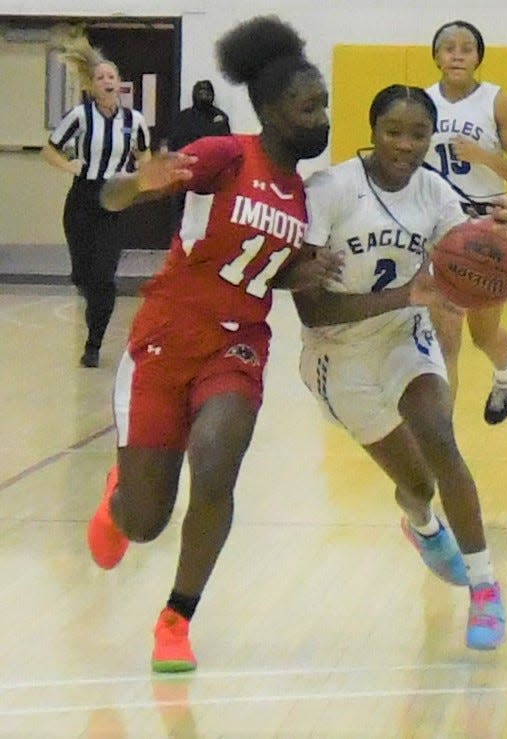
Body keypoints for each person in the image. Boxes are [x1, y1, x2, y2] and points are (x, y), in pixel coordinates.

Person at [86, 15, 338, 673]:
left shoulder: (305, 195)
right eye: (308, 107)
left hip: (240, 343)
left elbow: (257, 262)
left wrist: (298, 271)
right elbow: (114, 198)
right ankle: (119, 499)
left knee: (218, 460)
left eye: (324, 105)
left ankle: (176, 618)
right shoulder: (229, 154)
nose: (321, 118)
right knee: (144, 521)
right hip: (167, 336)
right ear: (273, 114)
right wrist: (141, 180)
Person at [293, 84, 506, 650]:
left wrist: (486, 254)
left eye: (418, 134)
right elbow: (310, 308)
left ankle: (485, 589)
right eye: (393, 131)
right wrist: (409, 295)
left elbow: (460, 269)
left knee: (441, 440)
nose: (405, 145)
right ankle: (422, 524)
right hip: (337, 351)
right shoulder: (332, 189)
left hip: (402, 335)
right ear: (372, 130)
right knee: (416, 482)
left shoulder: (436, 193)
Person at [424, 20, 507, 424]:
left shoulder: (497, 102)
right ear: (435, 56)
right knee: (444, 340)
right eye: (448, 47)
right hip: (440, 229)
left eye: (466, 48)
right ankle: (441, 445)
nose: (456, 54)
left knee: (483, 336)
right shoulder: (420, 102)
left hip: (488, 227)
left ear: (478, 58)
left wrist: (483, 156)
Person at [41, 37, 151, 368]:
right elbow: (51, 150)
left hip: (114, 200)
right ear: (91, 85)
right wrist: (70, 164)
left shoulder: (134, 121)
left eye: (111, 77)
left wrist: (144, 178)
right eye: (100, 77)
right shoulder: (80, 115)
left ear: (119, 85)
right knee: (82, 275)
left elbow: (143, 155)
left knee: (104, 278)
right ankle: (87, 289)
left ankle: (94, 343)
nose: (106, 81)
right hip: (82, 199)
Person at [167, 80, 232, 151]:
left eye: (207, 92)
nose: (204, 95)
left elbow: (226, 147)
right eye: (201, 92)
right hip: (186, 158)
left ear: (212, 95)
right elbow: (173, 143)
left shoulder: (220, 117)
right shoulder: (182, 117)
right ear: (194, 94)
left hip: (211, 158)